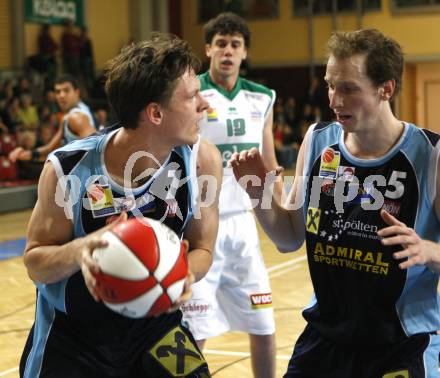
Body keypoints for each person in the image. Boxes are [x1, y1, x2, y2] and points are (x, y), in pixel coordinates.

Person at [230, 28, 440, 377]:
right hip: (326, 338)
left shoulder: (429, 155)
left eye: (348, 89)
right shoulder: (317, 141)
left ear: (385, 88)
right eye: (330, 85)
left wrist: (429, 252)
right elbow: (288, 238)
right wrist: (258, 192)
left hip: (401, 343)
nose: (334, 99)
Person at [19, 33, 222, 378]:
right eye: (191, 97)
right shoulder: (68, 170)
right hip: (76, 335)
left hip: (157, 327)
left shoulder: (202, 160)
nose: (205, 105)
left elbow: (202, 247)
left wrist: (181, 272)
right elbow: (35, 263)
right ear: (155, 112)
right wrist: (82, 250)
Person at [181, 12, 279, 378]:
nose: (227, 51)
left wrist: (278, 209)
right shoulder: (190, 93)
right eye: (220, 43)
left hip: (243, 227)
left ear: (244, 52)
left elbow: (268, 161)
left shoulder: (264, 96)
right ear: (207, 48)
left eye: (235, 45)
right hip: (200, 225)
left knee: (264, 323)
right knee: (193, 331)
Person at [9, 75, 95, 163]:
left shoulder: (76, 117)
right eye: (58, 92)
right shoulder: (69, 116)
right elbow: (52, 149)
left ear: (77, 92)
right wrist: (28, 154)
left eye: (66, 90)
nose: (61, 95)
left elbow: (95, 149)